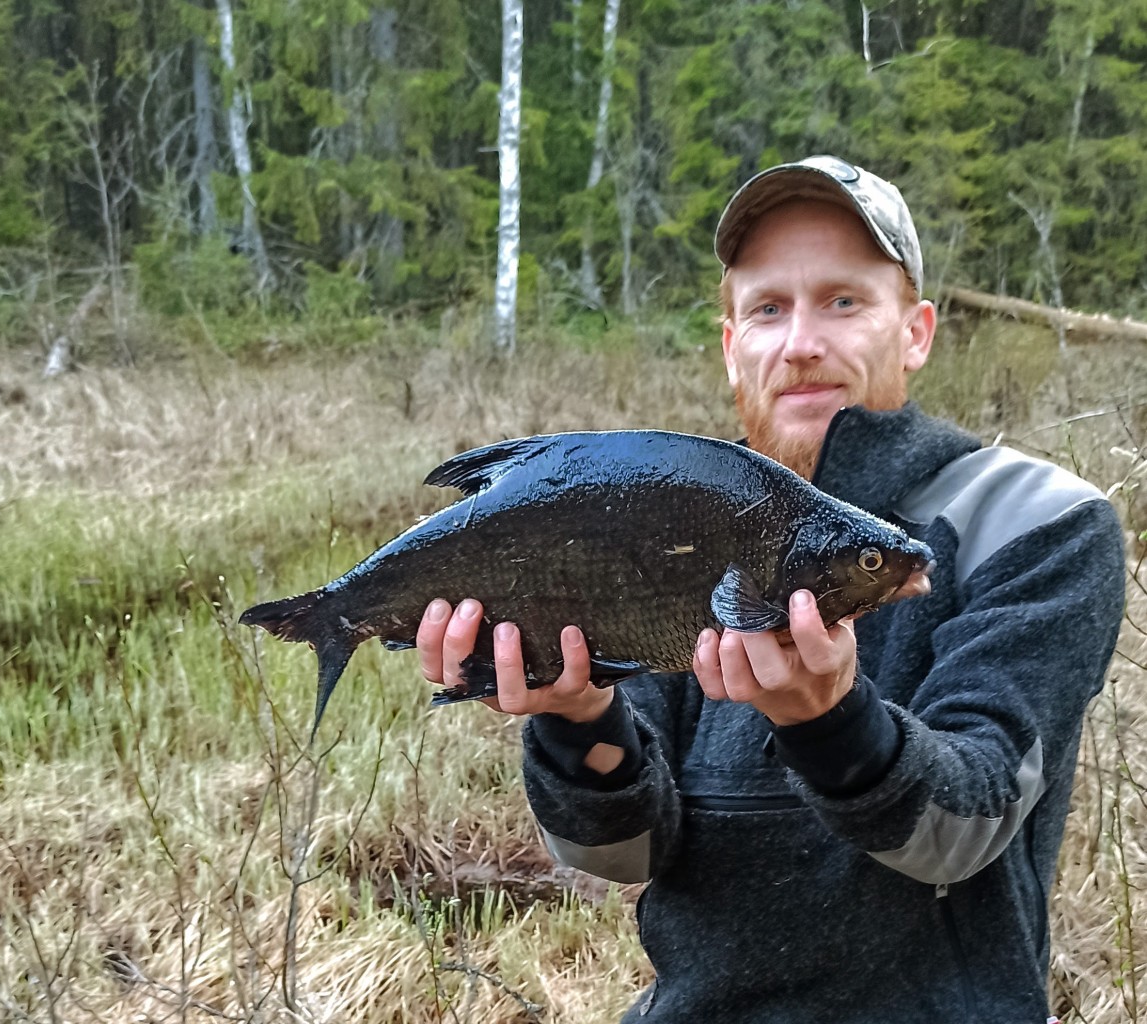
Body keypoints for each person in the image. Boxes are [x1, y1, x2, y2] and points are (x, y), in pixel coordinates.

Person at [415, 155, 1126, 1022]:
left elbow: (963, 830)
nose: (800, 343)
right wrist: (576, 719)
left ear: (915, 332)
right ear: (729, 346)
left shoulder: (1038, 521)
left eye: (843, 301)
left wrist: (828, 718)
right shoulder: (675, 515)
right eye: (766, 309)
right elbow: (620, 857)